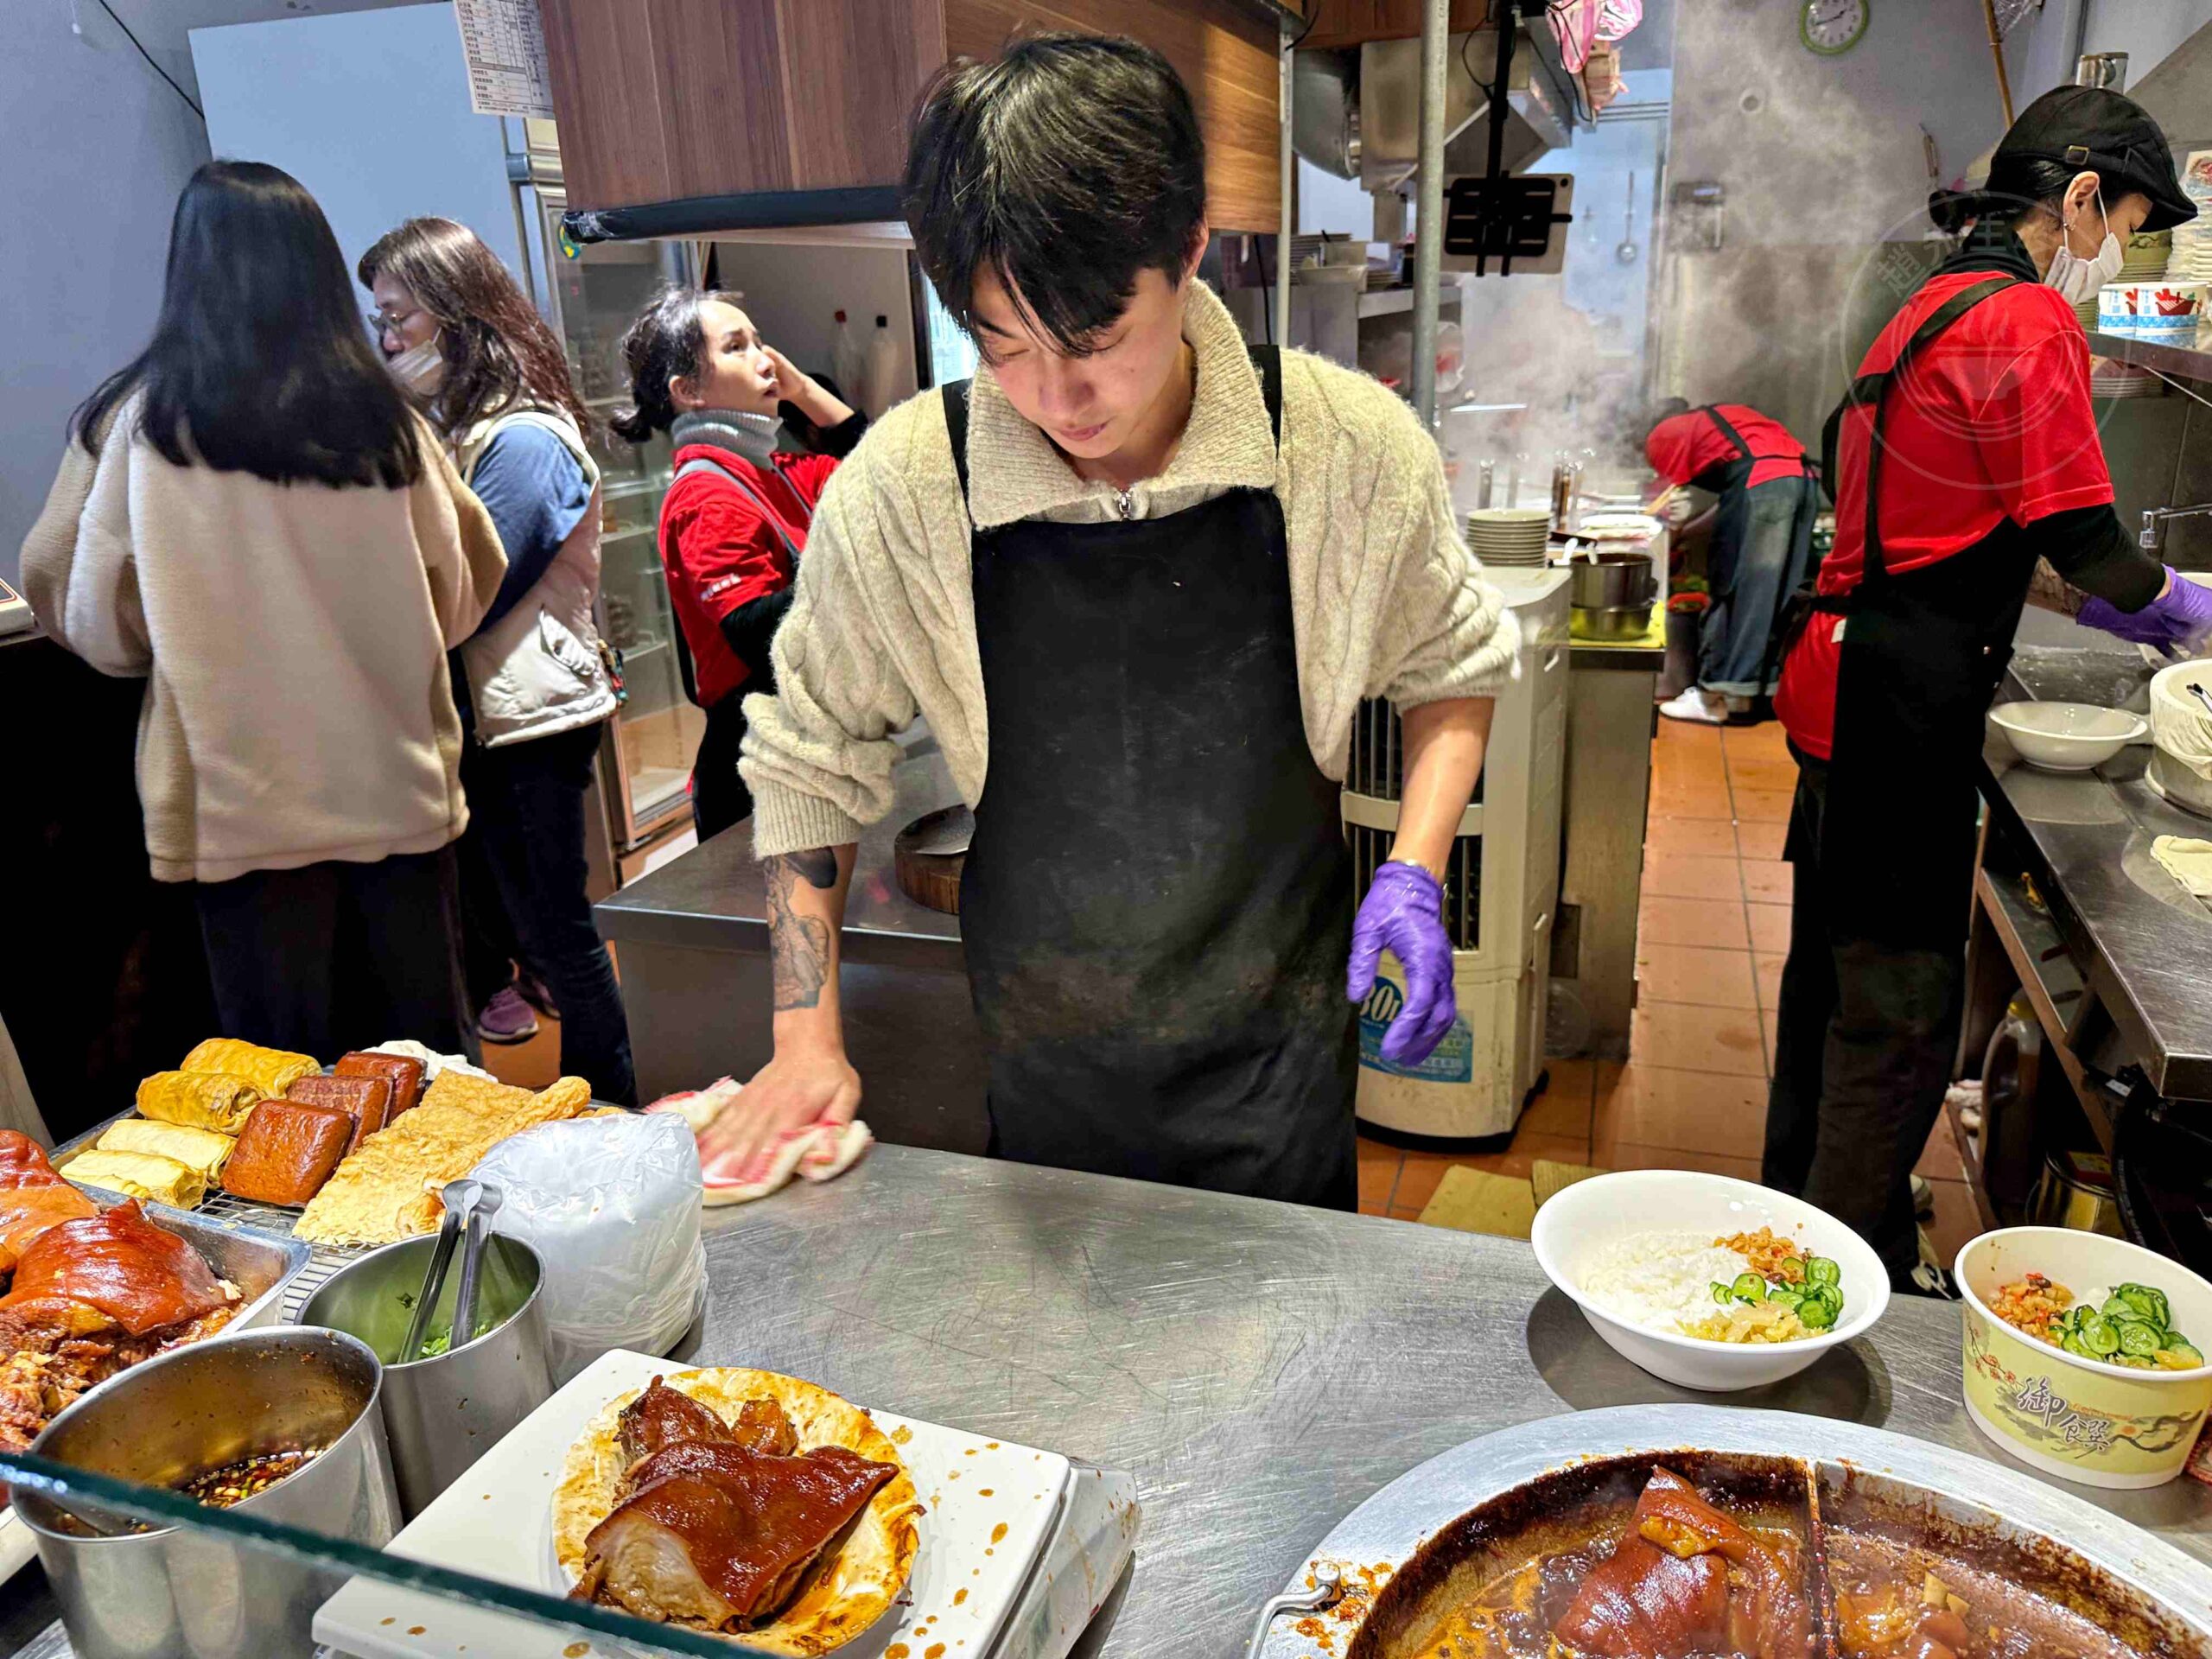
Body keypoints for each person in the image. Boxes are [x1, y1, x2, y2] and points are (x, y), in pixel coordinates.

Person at [709, 35, 1518, 1207]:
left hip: (1279, 1076)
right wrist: (801, 1035)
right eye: (1008, 344)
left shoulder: (1343, 447)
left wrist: (1416, 872)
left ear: (1188, 252)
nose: (1058, 396)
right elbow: (806, 761)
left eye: (1095, 340)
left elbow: (1454, 662)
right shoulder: (908, 485)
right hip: (1045, 1082)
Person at [1764, 86, 2212, 1292]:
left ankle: (1796, 1218)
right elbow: (2087, 540)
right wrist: (2183, 604)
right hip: (1900, 702)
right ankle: (1838, 1288)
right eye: (2120, 218)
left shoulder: (1926, 302)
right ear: (2075, 200)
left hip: (1847, 679)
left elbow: (1960, 515)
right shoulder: (2022, 319)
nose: (2114, 245)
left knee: (1832, 982)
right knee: (1900, 1013)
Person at [19, 162, 505, 1058]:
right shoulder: (386, 420)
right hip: (395, 791)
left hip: (235, 814)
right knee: (427, 1071)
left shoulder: (142, 423)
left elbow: (78, 602)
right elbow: (468, 582)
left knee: (276, 1089)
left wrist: (163, 644)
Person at [359, 217, 637, 1104]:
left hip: (532, 721)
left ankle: (606, 1104)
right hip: (504, 714)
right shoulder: (469, 432)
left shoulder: (519, 440)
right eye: (380, 321)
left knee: (557, 933)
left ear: (455, 311)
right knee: (531, 928)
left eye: (399, 316)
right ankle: (589, 1101)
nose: (388, 338)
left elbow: (466, 594)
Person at [610, 287, 867, 841]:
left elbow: (880, 471)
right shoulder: (706, 496)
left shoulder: (782, 472)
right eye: (737, 347)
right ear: (689, 390)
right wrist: (866, 573)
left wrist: (802, 391)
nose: (765, 359)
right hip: (755, 769)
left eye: (760, 341)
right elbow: (754, 631)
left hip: (808, 750)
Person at [1644, 400, 1821, 724]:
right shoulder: (1727, 420)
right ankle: (1763, 692)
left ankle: (1717, 698)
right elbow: (1738, 498)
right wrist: (1684, 534)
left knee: (1737, 589)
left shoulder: (1664, 434)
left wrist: (1666, 534)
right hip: (1803, 482)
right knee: (1781, 593)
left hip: (1765, 485)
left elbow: (1663, 500)